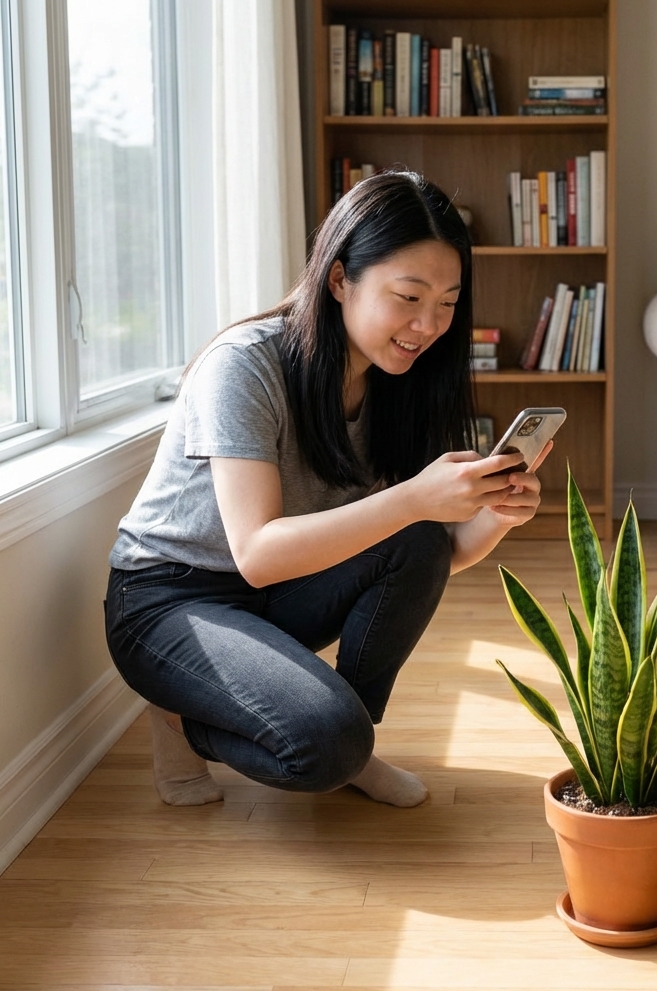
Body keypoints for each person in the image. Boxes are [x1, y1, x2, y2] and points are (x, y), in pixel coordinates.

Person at [104, 170, 551, 808]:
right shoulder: (244, 365)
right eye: (408, 296)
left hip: (276, 594)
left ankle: (352, 736)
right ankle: (185, 717)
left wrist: (498, 515)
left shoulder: (399, 381)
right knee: (324, 744)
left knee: (416, 539)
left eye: (448, 303)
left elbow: (434, 553)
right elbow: (257, 554)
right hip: (168, 601)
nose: (428, 325)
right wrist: (414, 499)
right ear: (340, 279)